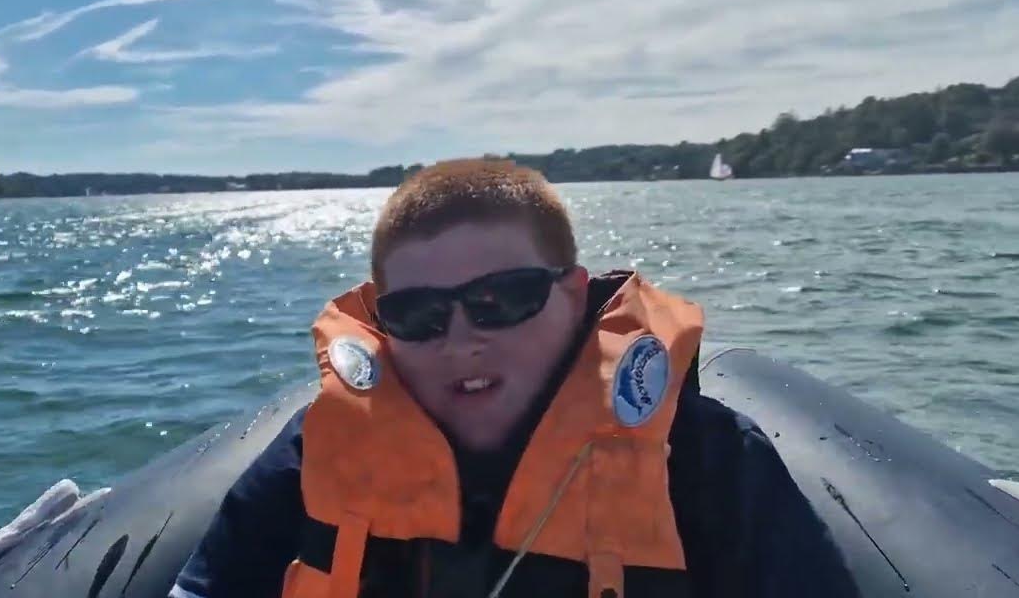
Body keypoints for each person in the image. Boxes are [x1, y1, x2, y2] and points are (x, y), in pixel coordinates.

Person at [172, 159, 860, 598]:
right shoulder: (320, 448)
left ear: (571, 295)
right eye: (419, 314)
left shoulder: (708, 463)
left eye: (503, 299)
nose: (462, 338)